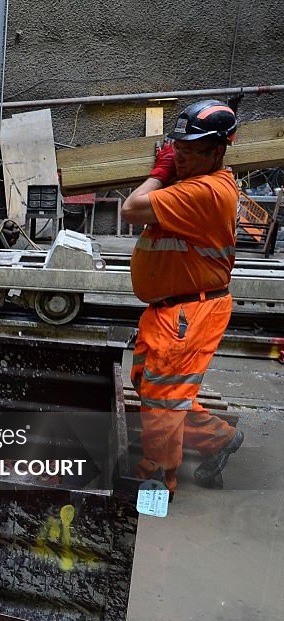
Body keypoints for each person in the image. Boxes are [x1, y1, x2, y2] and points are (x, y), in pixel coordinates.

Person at [122, 100, 243, 497]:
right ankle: (217, 438)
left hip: (190, 311)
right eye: (179, 151)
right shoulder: (196, 182)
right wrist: (172, 169)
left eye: (192, 153)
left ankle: (157, 489)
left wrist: (160, 172)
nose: (183, 160)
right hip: (172, 308)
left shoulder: (207, 191)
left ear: (218, 151)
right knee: (152, 386)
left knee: (161, 405)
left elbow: (131, 208)